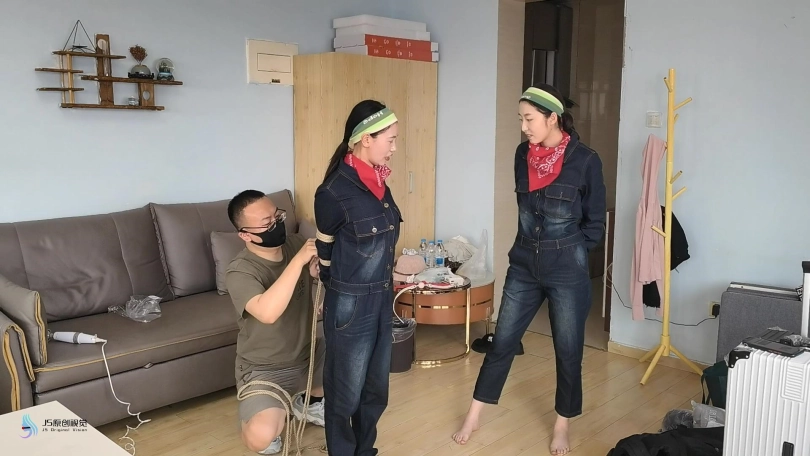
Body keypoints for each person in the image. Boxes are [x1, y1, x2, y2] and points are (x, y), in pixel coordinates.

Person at [453, 84, 607, 455]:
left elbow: (595, 223)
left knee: (567, 350)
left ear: (553, 118)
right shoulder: (523, 154)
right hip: (523, 264)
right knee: (502, 341)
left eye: (529, 119)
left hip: (566, 268)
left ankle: (562, 424)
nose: (523, 127)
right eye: (521, 119)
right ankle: (474, 415)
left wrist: (571, 253)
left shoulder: (585, 160)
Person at [313, 100, 402, 456]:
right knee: (345, 395)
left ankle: (365, 452)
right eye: (390, 140)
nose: (394, 147)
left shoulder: (379, 183)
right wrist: (335, 288)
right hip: (350, 306)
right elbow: (325, 252)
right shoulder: (333, 192)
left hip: (382, 299)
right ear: (366, 139)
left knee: (376, 392)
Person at [224, 190, 326, 455]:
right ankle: (261, 412)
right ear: (245, 235)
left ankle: (310, 402)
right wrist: (299, 261)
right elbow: (267, 313)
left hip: (308, 353)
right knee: (262, 436)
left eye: (277, 217)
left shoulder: (295, 243)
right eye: (266, 223)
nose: (276, 225)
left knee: (352, 359)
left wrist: (315, 273)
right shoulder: (240, 271)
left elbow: (314, 274)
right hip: (265, 368)